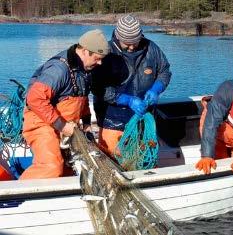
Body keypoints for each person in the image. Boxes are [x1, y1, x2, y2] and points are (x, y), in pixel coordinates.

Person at [19, 29, 109, 179]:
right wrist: (62, 126)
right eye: (98, 58)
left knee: (70, 169)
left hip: (65, 126)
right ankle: (15, 198)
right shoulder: (59, 69)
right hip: (41, 123)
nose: (100, 63)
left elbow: (82, 99)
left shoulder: (85, 70)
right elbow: (34, 98)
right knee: (52, 166)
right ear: (85, 51)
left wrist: (86, 123)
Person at [91, 14, 172, 157]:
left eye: (135, 42)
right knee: (114, 163)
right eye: (127, 43)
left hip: (144, 120)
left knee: (145, 161)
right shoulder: (106, 53)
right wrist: (127, 100)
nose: (131, 46)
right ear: (118, 36)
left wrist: (156, 89)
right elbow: (98, 88)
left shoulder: (151, 48)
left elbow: (164, 71)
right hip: (113, 121)